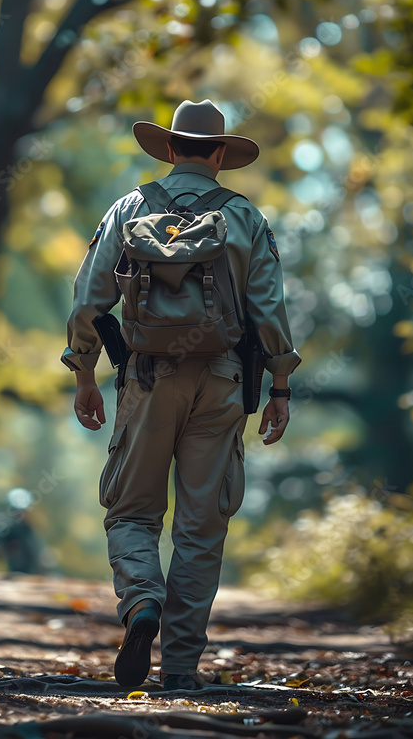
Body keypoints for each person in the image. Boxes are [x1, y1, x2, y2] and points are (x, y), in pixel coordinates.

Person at [60, 99, 301, 693]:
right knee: (201, 525)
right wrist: (280, 385)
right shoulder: (245, 217)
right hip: (222, 382)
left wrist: (84, 373)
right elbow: (269, 309)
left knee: (132, 509)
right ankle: (182, 669)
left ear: (168, 148)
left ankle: (143, 598)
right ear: (220, 154)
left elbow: (90, 298)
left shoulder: (130, 207)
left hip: (146, 378)